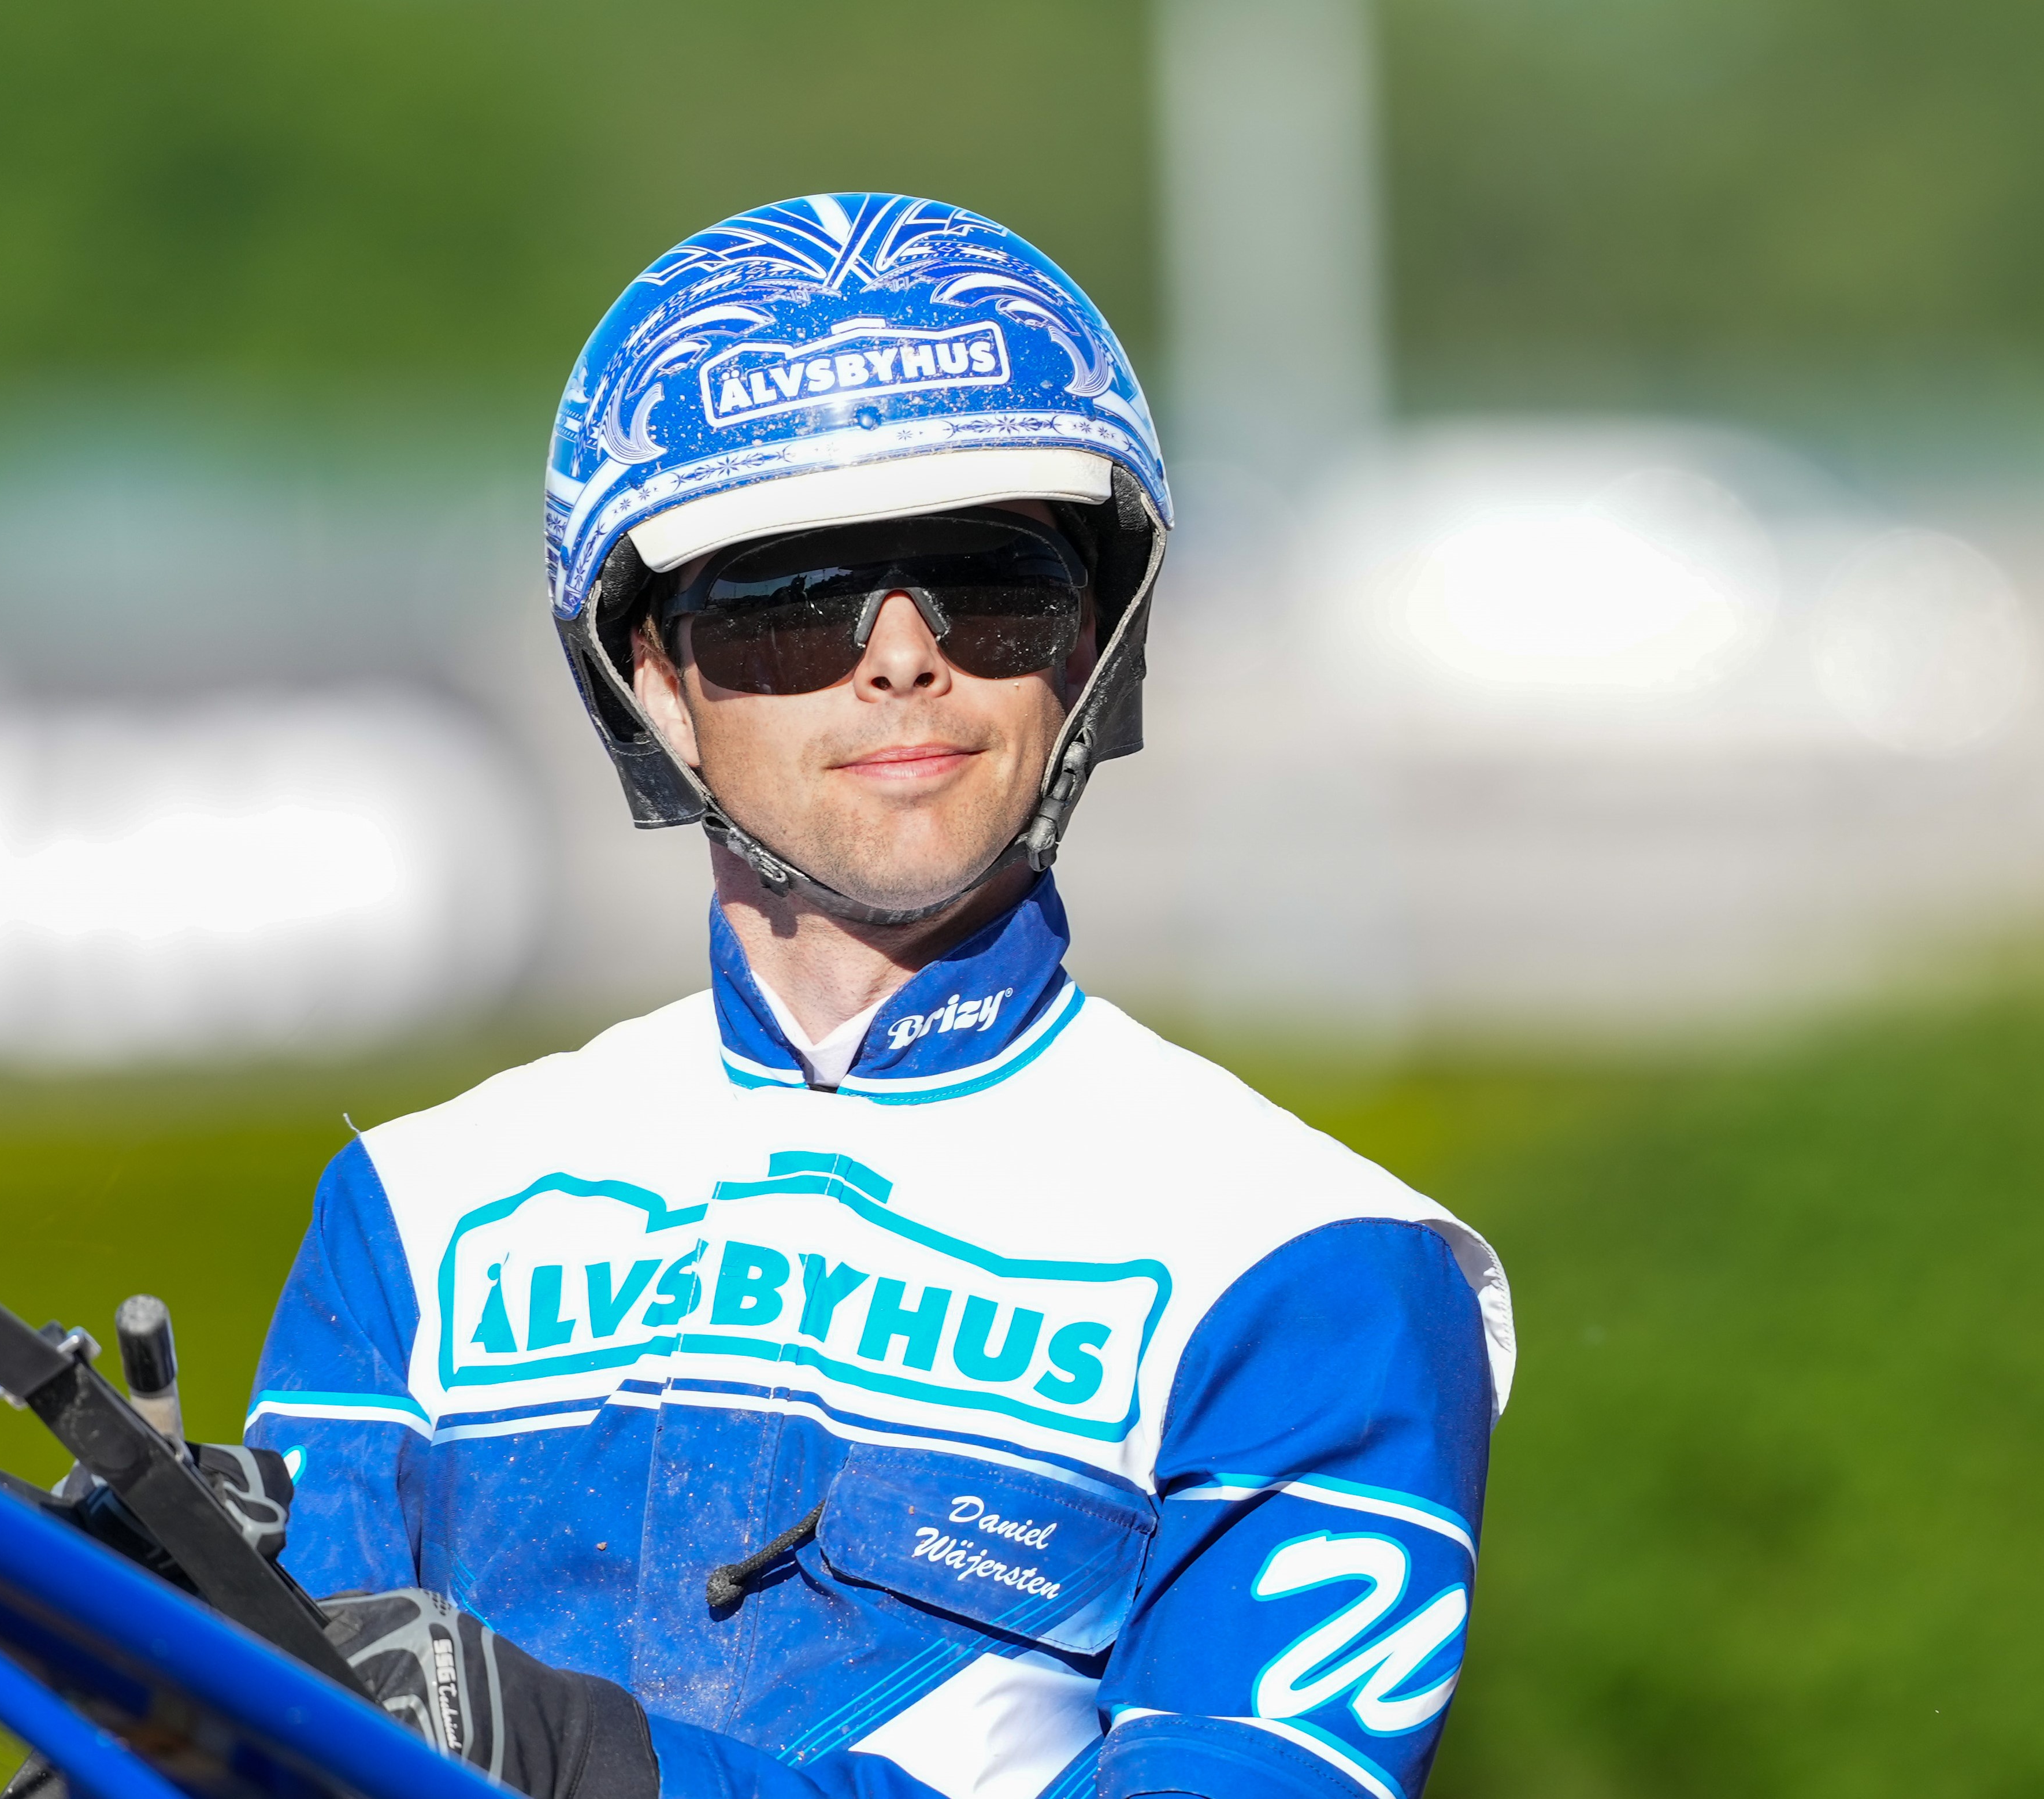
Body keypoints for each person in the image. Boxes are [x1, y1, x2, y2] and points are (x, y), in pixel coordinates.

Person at [244, 193, 1516, 1799]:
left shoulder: (1312, 1266)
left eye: (988, 591)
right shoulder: (413, 1209)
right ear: (656, 679)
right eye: (792, 603)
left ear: (1087, 649)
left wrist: (592, 1765)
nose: (902, 660)